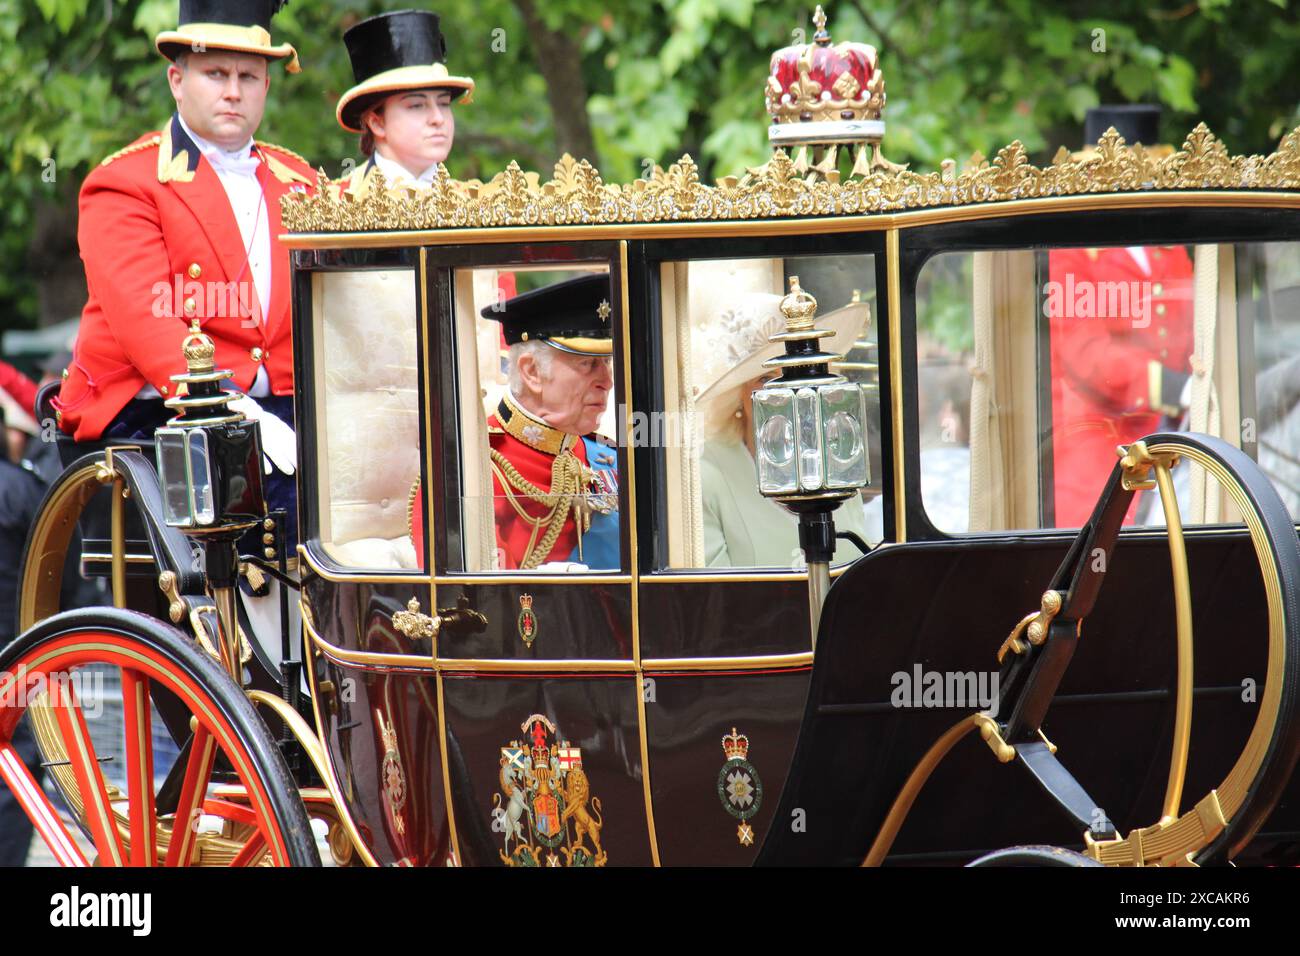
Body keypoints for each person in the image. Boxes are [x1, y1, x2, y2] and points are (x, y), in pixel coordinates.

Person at [53, 0, 314, 550]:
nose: (233, 91)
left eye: (248, 76)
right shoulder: (125, 182)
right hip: (158, 414)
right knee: (285, 503)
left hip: (283, 407)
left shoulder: (304, 183)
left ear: (267, 85)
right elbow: (149, 321)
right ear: (177, 80)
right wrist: (230, 404)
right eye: (216, 74)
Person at [1047, 106, 1194, 526]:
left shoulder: (1169, 248)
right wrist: (1172, 387)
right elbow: (1087, 354)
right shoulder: (1071, 251)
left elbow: (1193, 327)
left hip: (1173, 429)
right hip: (1097, 438)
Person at [694, 291, 875, 566]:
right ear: (737, 395)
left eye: (797, 372)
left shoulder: (838, 463)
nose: (786, 392)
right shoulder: (707, 474)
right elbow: (715, 600)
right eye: (766, 378)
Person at [480, 274, 620, 570]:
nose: (607, 381)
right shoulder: (473, 468)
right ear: (531, 372)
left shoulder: (609, 456)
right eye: (587, 363)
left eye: (606, 362)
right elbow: (480, 603)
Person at [335, 9, 474, 195]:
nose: (438, 118)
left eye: (444, 103)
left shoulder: (476, 204)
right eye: (417, 105)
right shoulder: (334, 204)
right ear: (377, 123)